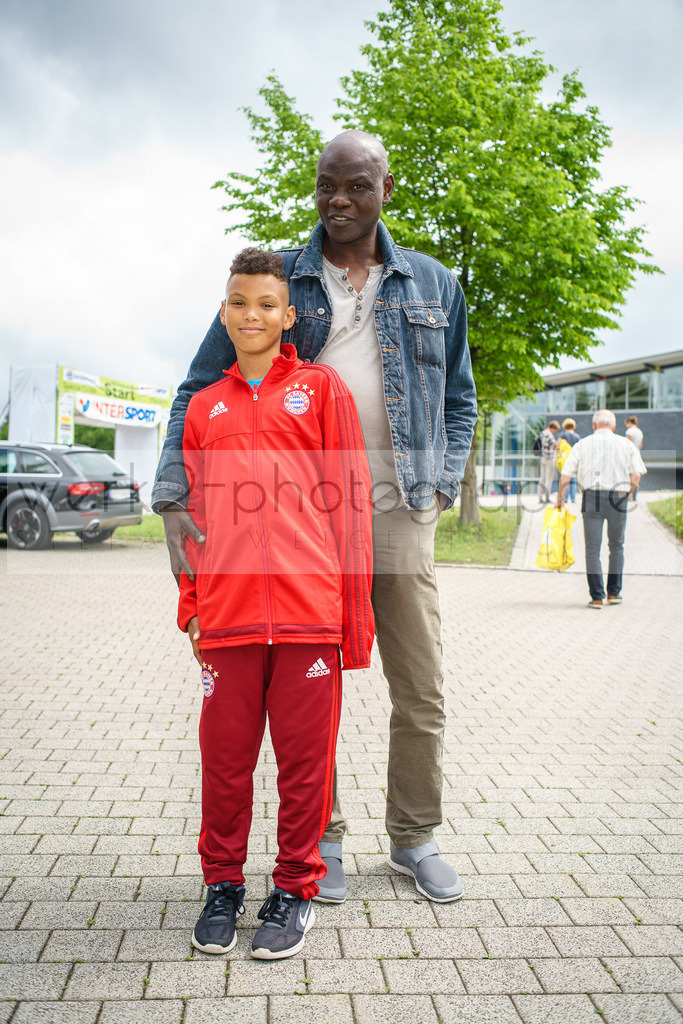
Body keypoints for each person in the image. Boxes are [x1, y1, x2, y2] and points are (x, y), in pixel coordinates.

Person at [153, 129, 478, 905]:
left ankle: (413, 837)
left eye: (357, 186)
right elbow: (198, 386)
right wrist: (173, 494)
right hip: (303, 518)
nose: (339, 199)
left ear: (385, 189)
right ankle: (319, 840)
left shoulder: (433, 283)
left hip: (399, 506)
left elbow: (460, 397)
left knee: (419, 683)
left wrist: (438, 486)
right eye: (327, 184)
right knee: (311, 687)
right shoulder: (279, 279)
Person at [180, 247, 374, 959]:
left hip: (307, 616)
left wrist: (353, 622)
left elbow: (351, 508)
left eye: (266, 303)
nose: (252, 314)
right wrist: (191, 606)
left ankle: (294, 889)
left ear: (289, 315)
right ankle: (222, 885)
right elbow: (194, 518)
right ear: (224, 312)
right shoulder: (205, 407)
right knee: (225, 762)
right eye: (239, 302)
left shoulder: (321, 391)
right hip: (227, 619)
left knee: (305, 767)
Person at [556, 409, 646, 608]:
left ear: (594, 425)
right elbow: (637, 475)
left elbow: (565, 474)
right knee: (617, 546)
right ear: (614, 426)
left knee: (592, 549)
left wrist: (560, 499)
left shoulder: (582, 444)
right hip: (618, 497)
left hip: (592, 497)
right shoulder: (626, 444)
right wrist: (629, 493)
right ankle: (614, 593)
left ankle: (597, 597)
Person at [553, 417, 580, 503]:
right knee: (573, 479)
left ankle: (565, 499)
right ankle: (573, 499)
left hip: (564, 459)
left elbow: (557, 447)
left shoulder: (562, 435)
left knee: (565, 477)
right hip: (574, 459)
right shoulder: (577, 436)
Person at [537, 420, 560, 503]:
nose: (555, 431)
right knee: (549, 479)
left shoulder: (542, 433)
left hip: (542, 457)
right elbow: (555, 445)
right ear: (553, 427)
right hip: (549, 458)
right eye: (555, 430)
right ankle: (547, 498)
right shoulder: (549, 434)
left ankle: (540, 497)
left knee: (542, 478)